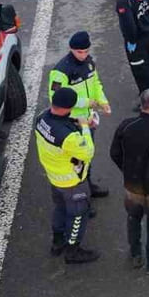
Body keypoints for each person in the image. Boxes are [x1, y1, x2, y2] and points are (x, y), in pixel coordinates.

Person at [34, 87, 99, 264]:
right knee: (78, 215)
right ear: (69, 107)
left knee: (60, 209)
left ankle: (57, 242)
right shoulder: (69, 137)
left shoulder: (41, 118)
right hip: (72, 182)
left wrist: (74, 122)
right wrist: (85, 126)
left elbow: (58, 123)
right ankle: (73, 250)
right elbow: (88, 152)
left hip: (54, 177)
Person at [48, 31, 112, 201]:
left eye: (86, 51)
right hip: (71, 123)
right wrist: (86, 103)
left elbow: (96, 83)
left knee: (87, 156)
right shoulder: (61, 71)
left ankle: (88, 187)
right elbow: (56, 98)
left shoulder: (89, 63)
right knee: (75, 162)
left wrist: (102, 101)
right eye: (79, 52)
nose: (83, 55)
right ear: (71, 49)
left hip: (87, 121)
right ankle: (80, 197)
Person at [110, 89, 149, 274]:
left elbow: (115, 153)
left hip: (132, 186)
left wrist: (127, 171)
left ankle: (135, 254)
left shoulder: (127, 125)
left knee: (133, 218)